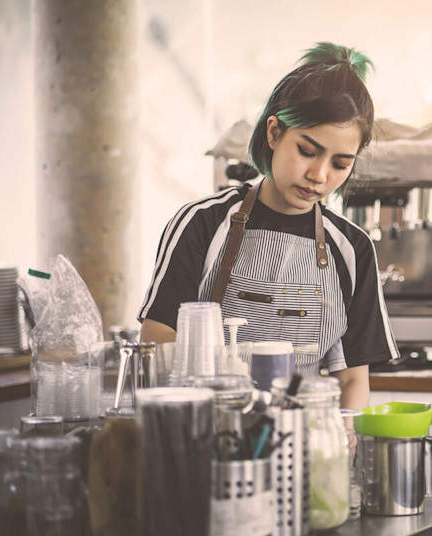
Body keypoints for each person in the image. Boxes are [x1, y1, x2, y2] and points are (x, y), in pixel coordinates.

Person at [137, 42, 398, 410]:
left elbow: (353, 377)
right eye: (307, 150)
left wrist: (342, 442)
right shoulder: (203, 223)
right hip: (211, 436)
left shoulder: (352, 248)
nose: (319, 175)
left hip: (307, 442)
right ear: (274, 133)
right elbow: (158, 341)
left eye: (340, 164)